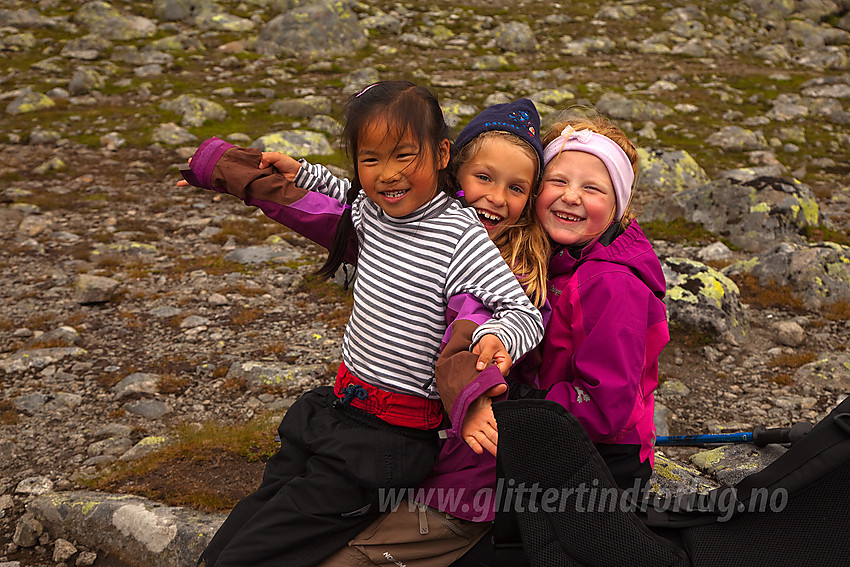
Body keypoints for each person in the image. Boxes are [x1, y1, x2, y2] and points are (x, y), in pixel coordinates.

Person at [178, 81, 544, 567]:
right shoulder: (375, 209)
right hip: (335, 409)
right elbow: (343, 192)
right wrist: (293, 171)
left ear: (440, 155)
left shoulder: (460, 235)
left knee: (256, 552)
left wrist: (494, 337)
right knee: (241, 530)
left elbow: (522, 313)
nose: (387, 175)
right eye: (371, 159)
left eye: (404, 157)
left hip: (386, 443)